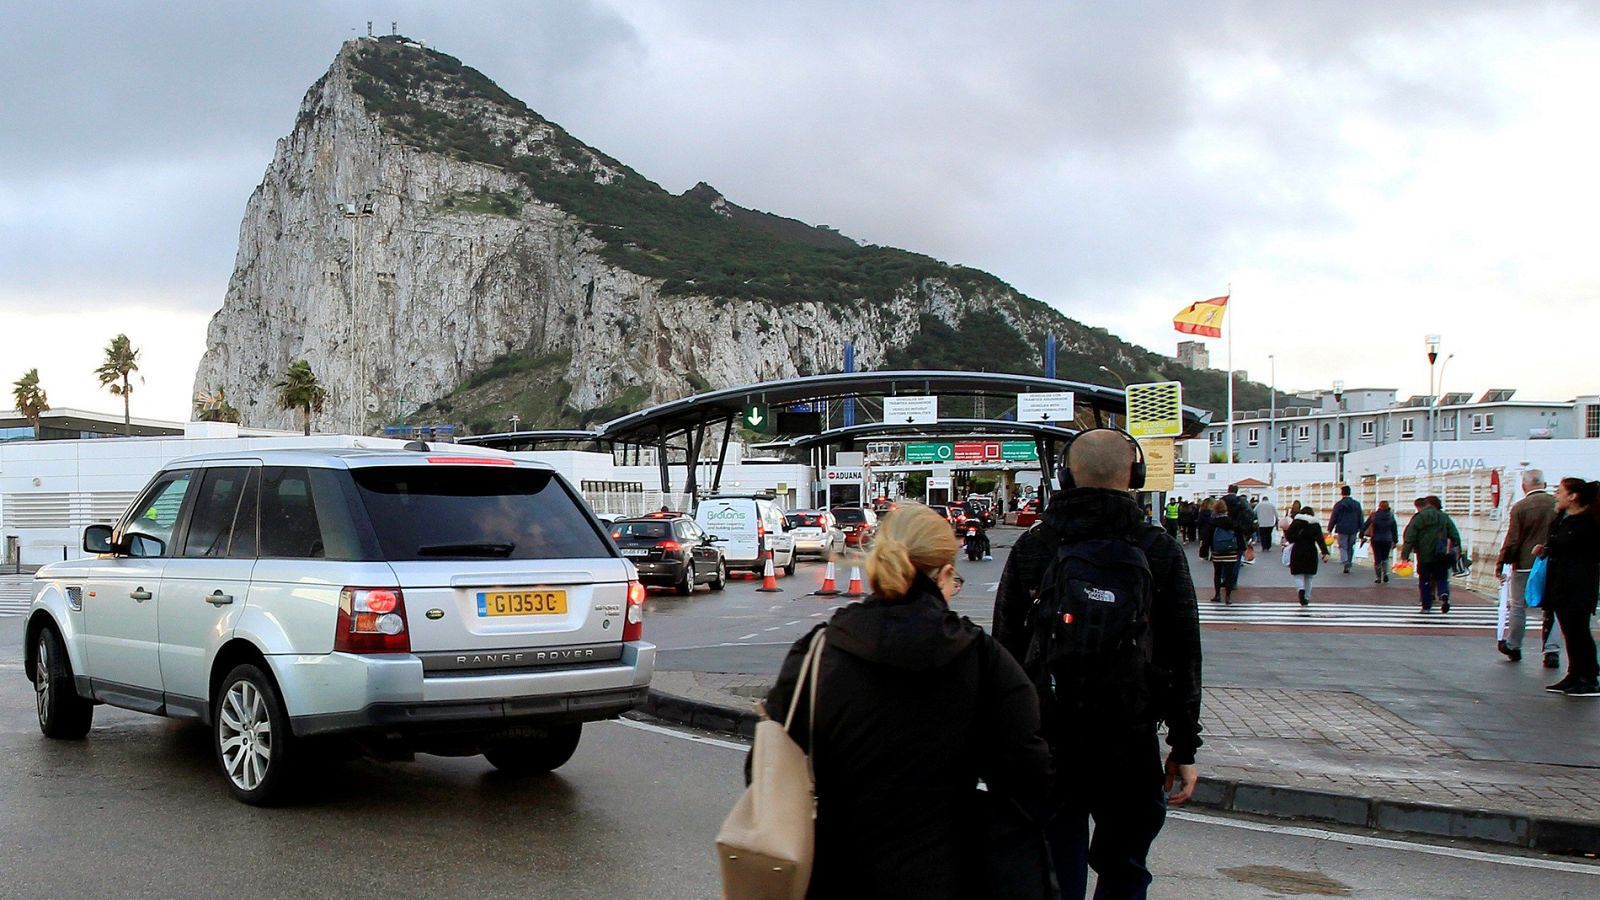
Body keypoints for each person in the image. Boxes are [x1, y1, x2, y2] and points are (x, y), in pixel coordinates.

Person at [763, 503, 1053, 897]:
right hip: (947, 874)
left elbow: (765, 767)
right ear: (946, 574)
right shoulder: (984, 661)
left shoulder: (817, 655)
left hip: (835, 874)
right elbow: (1027, 774)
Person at [993, 430, 1202, 900]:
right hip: (1130, 740)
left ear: (1066, 476)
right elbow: (1184, 652)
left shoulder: (1035, 546)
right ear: (1136, 476)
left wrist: (1005, 742)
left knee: (1053, 871)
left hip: (1050, 741)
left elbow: (1005, 650)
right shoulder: (1158, 549)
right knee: (1126, 870)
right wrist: (1184, 745)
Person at [1534, 479, 1600, 696]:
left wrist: (1554, 549)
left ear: (1573, 496)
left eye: (1560, 491)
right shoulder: (1562, 520)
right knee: (1569, 631)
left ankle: (1588, 677)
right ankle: (1574, 674)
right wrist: (1545, 550)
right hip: (1561, 583)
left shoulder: (1587, 524)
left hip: (1578, 583)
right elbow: (1558, 546)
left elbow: (1580, 552)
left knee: (1579, 630)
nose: (1556, 495)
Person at [1496, 470, 1560, 666]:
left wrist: (1502, 562)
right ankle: (1551, 651)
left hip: (1525, 563)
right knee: (1552, 608)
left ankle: (1514, 645)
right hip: (1552, 562)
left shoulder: (1520, 507)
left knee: (1517, 606)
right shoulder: (1557, 504)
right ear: (1545, 483)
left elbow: (1513, 539)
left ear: (1524, 486)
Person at [1400, 496, 1462, 613]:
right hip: (1441, 554)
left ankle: (1426, 605)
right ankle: (1443, 594)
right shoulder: (1443, 517)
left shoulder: (1419, 518)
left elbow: (1410, 536)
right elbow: (1454, 534)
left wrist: (1405, 555)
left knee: (1425, 580)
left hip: (1424, 554)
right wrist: (1458, 549)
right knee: (1442, 577)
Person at [1285, 504, 1330, 606]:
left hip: (1297, 550)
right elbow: (1320, 540)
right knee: (1309, 577)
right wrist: (1325, 552)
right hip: (1311, 551)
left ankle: (1301, 590)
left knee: (1298, 574)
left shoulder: (1296, 522)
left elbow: (1289, 537)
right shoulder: (1315, 524)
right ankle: (1306, 597)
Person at [1203, 498, 1244, 605]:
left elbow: (1207, 538)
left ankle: (1217, 595)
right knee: (1229, 575)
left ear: (1215, 510)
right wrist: (1241, 548)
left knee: (1217, 573)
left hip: (1217, 552)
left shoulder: (1213, 523)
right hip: (1231, 551)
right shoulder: (1231, 522)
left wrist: (1204, 552)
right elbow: (1239, 535)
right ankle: (1228, 596)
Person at [1327, 486, 1364, 574]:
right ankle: (1349, 562)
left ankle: (1345, 561)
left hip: (1342, 528)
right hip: (1354, 528)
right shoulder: (1357, 504)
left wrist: (1330, 528)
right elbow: (1360, 517)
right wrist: (1362, 529)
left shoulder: (1339, 505)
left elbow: (1334, 517)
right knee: (1350, 546)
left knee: (1342, 546)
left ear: (1342, 493)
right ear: (1350, 492)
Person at [1361, 500, 1399, 584]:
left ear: (1379, 506)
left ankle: (1378, 577)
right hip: (1387, 539)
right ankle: (1385, 573)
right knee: (1385, 558)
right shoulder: (1391, 515)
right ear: (1388, 506)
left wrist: (1361, 535)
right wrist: (1395, 541)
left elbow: (1365, 526)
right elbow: (1394, 529)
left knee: (1377, 558)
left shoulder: (1374, 515)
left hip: (1376, 539)